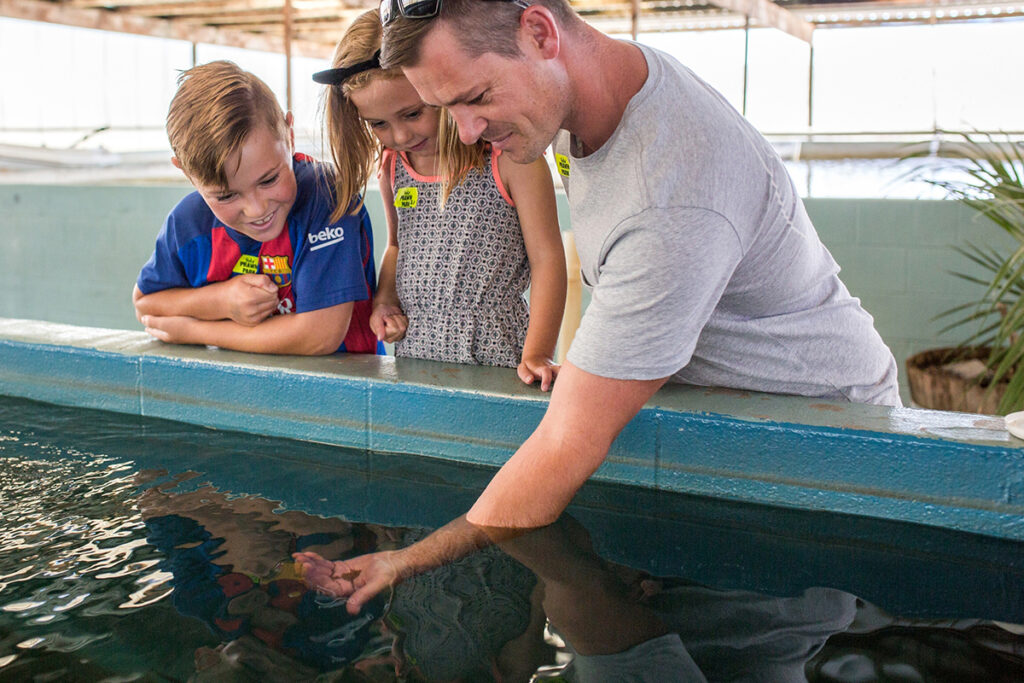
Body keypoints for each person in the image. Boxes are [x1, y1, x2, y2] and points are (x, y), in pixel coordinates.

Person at [295, 0, 902, 615]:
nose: (468, 130)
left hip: (814, 452)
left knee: (589, 619)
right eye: (447, 105)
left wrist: (406, 558)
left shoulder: (669, 193)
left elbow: (567, 440)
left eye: (475, 96)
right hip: (717, 409)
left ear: (539, 32)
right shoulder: (588, 92)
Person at [312, 9, 566, 389]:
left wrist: (539, 352)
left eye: (413, 113)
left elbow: (548, 259)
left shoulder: (510, 159)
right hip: (417, 354)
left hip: (496, 353)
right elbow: (397, 246)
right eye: (378, 124)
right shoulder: (393, 167)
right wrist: (384, 300)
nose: (399, 135)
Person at [133, 61, 380, 356]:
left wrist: (195, 330)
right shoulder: (187, 223)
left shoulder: (326, 196)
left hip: (343, 397)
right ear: (186, 173)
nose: (256, 209)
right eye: (225, 196)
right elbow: (147, 303)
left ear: (289, 136)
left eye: (269, 179)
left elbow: (319, 335)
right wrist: (222, 300)